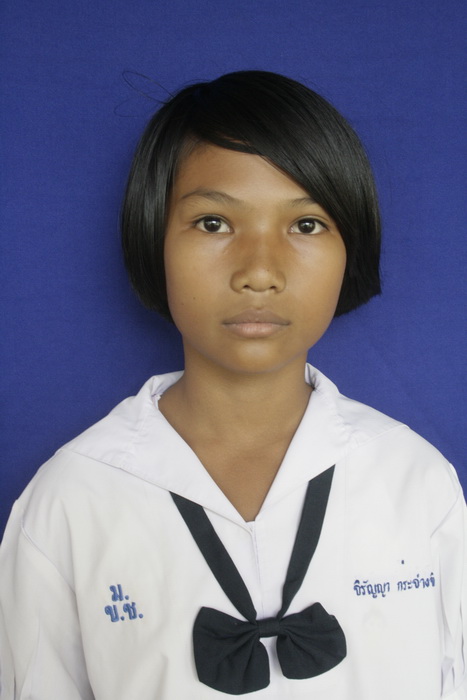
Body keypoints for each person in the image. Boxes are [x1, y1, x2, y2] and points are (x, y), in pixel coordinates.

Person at [0, 70, 465, 699]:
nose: (259, 271)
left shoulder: (414, 480)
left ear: (350, 248)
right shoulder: (73, 498)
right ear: (153, 239)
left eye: (306, 225)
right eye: (214, 223)